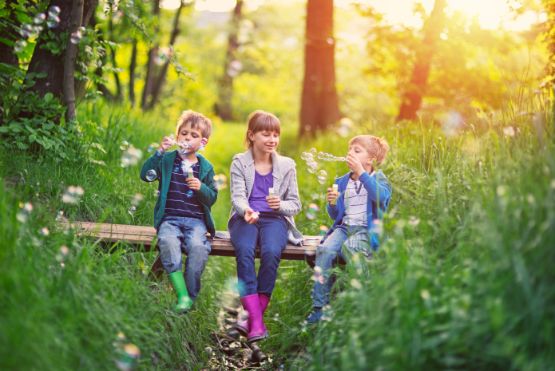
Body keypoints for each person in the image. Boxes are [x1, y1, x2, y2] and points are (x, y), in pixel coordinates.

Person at [228, 110, 303, 342]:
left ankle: (248, 319)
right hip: (245, 218)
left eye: (275, 135)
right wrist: (247, 210)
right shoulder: (239, 162)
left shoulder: (287, 165)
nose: (272, 140)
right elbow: (237, 197)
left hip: (275, 220)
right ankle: (257, 323)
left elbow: (296, 204)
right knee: (245, 251)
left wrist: (280, 205)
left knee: (271, 252)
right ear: (251, 135)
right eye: (265, 134)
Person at [306, 134, 392, 324]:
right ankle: (320, 307)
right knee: (324, 250)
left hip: (365, 230)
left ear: (371, 160)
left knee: (351, 247)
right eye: (349, 150)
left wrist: (362, 173)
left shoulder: (378, 179)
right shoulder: (342, 181)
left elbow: (381, 197)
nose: (350, 154)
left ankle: (364, 299)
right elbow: (335, 215)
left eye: (357, 150)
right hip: (344, 227)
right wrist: (332, 203)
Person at [140, 110, 217, 313]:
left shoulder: (205, 167)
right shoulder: (167, 160)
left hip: (196, 222)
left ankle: (190, 297)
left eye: (193, 135)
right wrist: (159, 153)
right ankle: (182, 295)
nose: (187, 138)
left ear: (203, 142)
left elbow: (212, 198)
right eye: (184, 133)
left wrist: (200, 187)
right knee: (168, 242)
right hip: (170, 219)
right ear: (177, 136)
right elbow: (145, 175)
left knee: (198, 249)